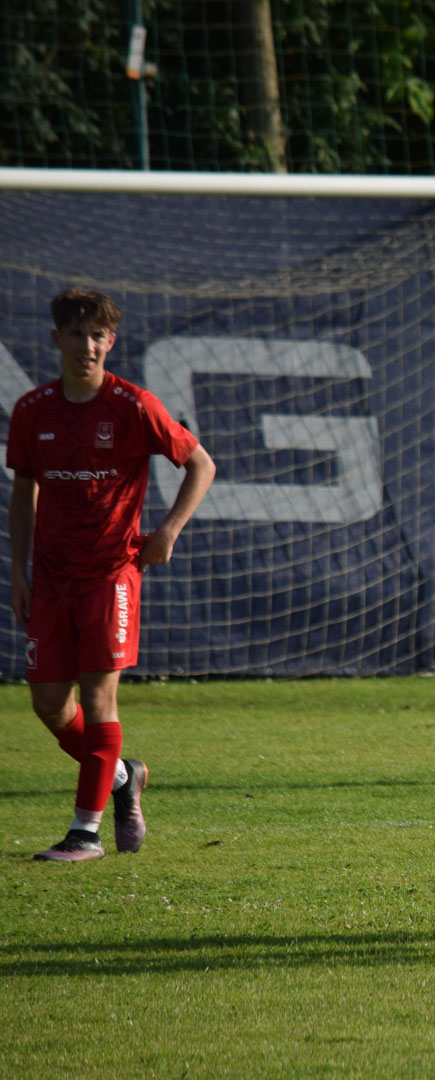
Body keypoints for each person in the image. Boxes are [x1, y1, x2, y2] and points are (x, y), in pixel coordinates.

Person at [8, 288, 216, 861]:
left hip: (112, 574)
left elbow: (201, 464)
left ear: (111, 342)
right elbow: (23, 491)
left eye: (97, 335)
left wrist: (167, 532)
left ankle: (86, 832)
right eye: (77, 334)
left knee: (100, 699)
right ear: (57, 339)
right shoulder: (32, 411)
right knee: (49, 704)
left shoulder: (133, 405)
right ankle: (124, 776)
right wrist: (19, 571)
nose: (88, 345)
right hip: (51, 579)